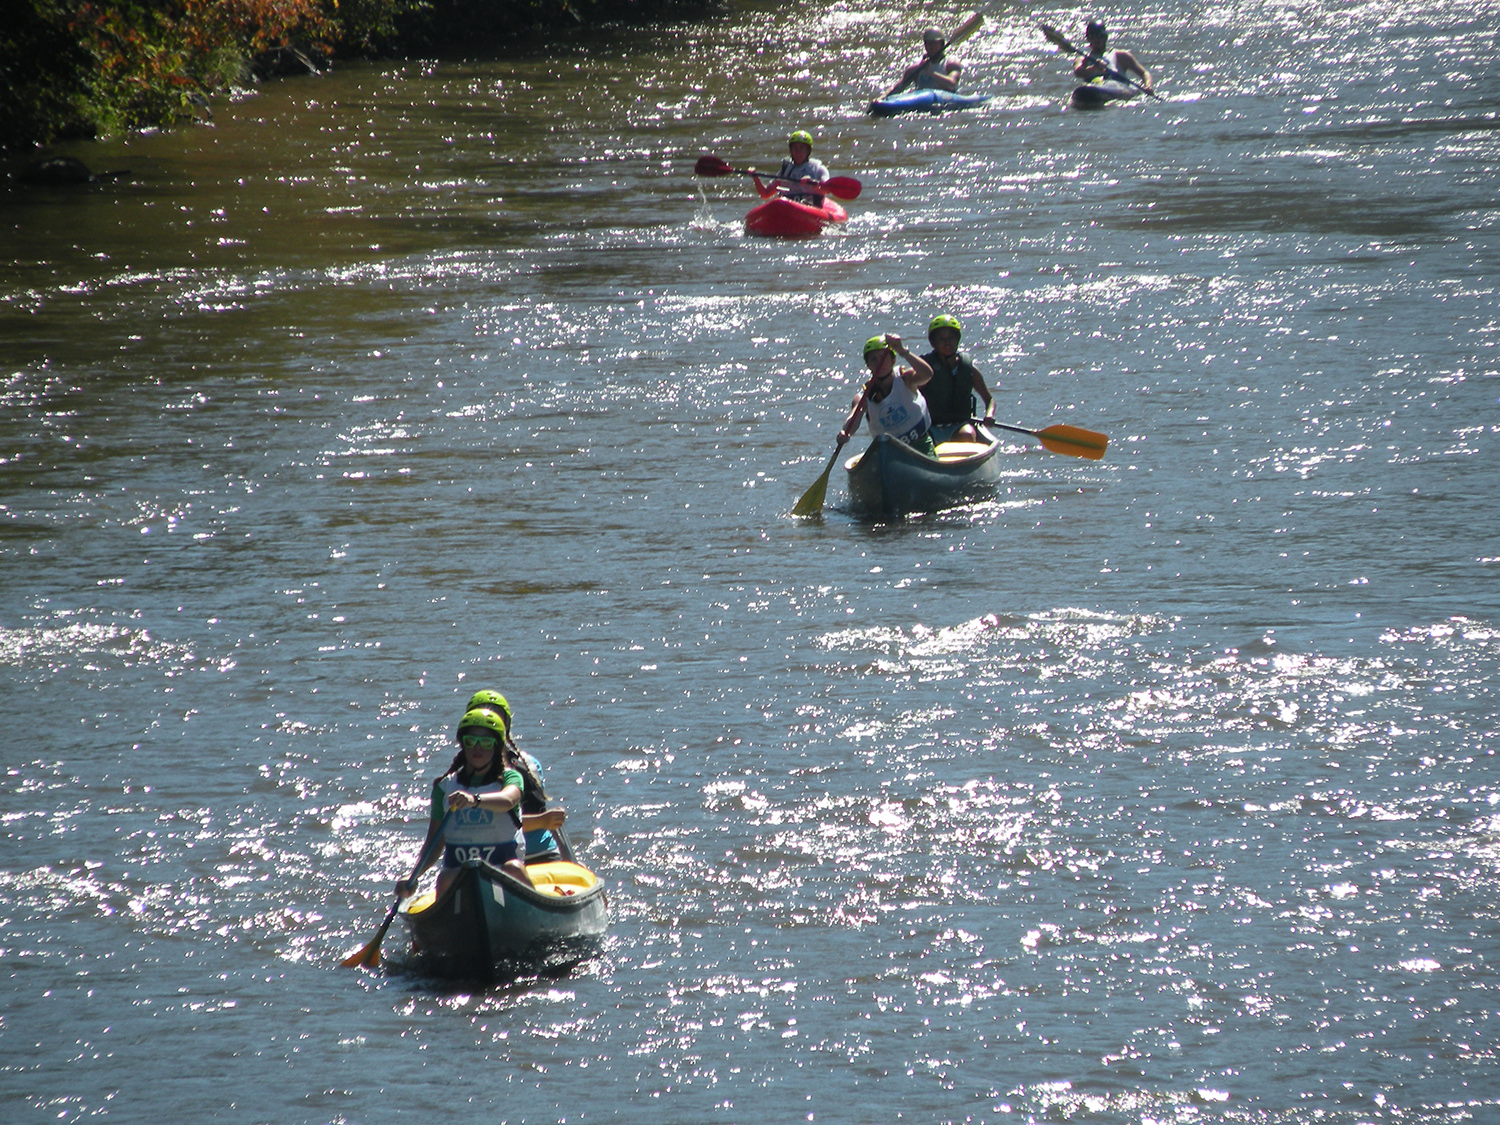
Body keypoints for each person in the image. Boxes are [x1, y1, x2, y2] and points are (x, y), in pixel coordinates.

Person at [395, 707, 534, 901]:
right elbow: (434, 844)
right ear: (463, 745)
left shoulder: (511, 778)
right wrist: (413, 876)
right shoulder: (444, 787)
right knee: (445, 878)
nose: (478, 748)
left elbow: (509, 800)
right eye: (471, 741)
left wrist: (474, 800)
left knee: (514, 868)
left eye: (486, 742)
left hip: (503, 871)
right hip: (460, 874)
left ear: (496, 747)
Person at [462, 688, 559, 857]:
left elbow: (548, 818)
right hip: (492, 856)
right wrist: (542, 821)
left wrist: (569, 859)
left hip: (539, 853)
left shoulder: (529, 765)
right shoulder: (457, 778)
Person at [835, 334, 936, 457]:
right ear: (868, 365)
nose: (879, 363)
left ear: (893, 360)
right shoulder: (863, 397)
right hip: (889, 454)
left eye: (883, 357)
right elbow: (853, 418)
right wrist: (846, 433)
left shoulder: (906, 378)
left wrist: (901, 350)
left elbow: (927, 374)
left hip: (920, 446)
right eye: (873, 359)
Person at [920, 315, 995, 444]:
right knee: (921, 442)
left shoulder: (969, 369)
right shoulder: (925, 369)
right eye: (941, 339)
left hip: (959, 425)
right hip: (930, 427)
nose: (947, 342)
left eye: (951, 338)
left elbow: (989, 399)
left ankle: (966, 460)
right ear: (934, 343)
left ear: (957, 339)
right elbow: (908, 395)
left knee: (967, 435)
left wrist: (989, 415)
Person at [751, 131, 829, 206]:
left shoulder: (818, 168)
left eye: (802, 148)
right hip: (787, 207)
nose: (798, 152)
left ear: (808, 150)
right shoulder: (786, 169)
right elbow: (765, 194)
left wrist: (812, 183)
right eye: (795, 148)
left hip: (812, 206)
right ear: (791, 151)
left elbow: (827, 189)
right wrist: (755, 177)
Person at [1073, 19, 1152, 92]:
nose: (1096, 40)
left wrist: (1148, 86)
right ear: (1088, 39)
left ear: (1105, 37)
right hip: (1093, 89)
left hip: (1117, 88)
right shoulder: (1083, 59)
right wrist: (1094, 68)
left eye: (1100, 36)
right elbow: (1078, 72)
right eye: (1092, 37)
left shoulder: (1121, 56)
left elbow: (1144, 73)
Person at [886, 28, 964, 97]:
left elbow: (952, 85)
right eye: (928, 43)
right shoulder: (915, 68)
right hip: (923, 103)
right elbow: (898, 88)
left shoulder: (951, 63)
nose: (931, 46)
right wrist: (882, 98)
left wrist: (931, 73)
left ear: (941, 44)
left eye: (935, 43)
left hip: (947, 101)